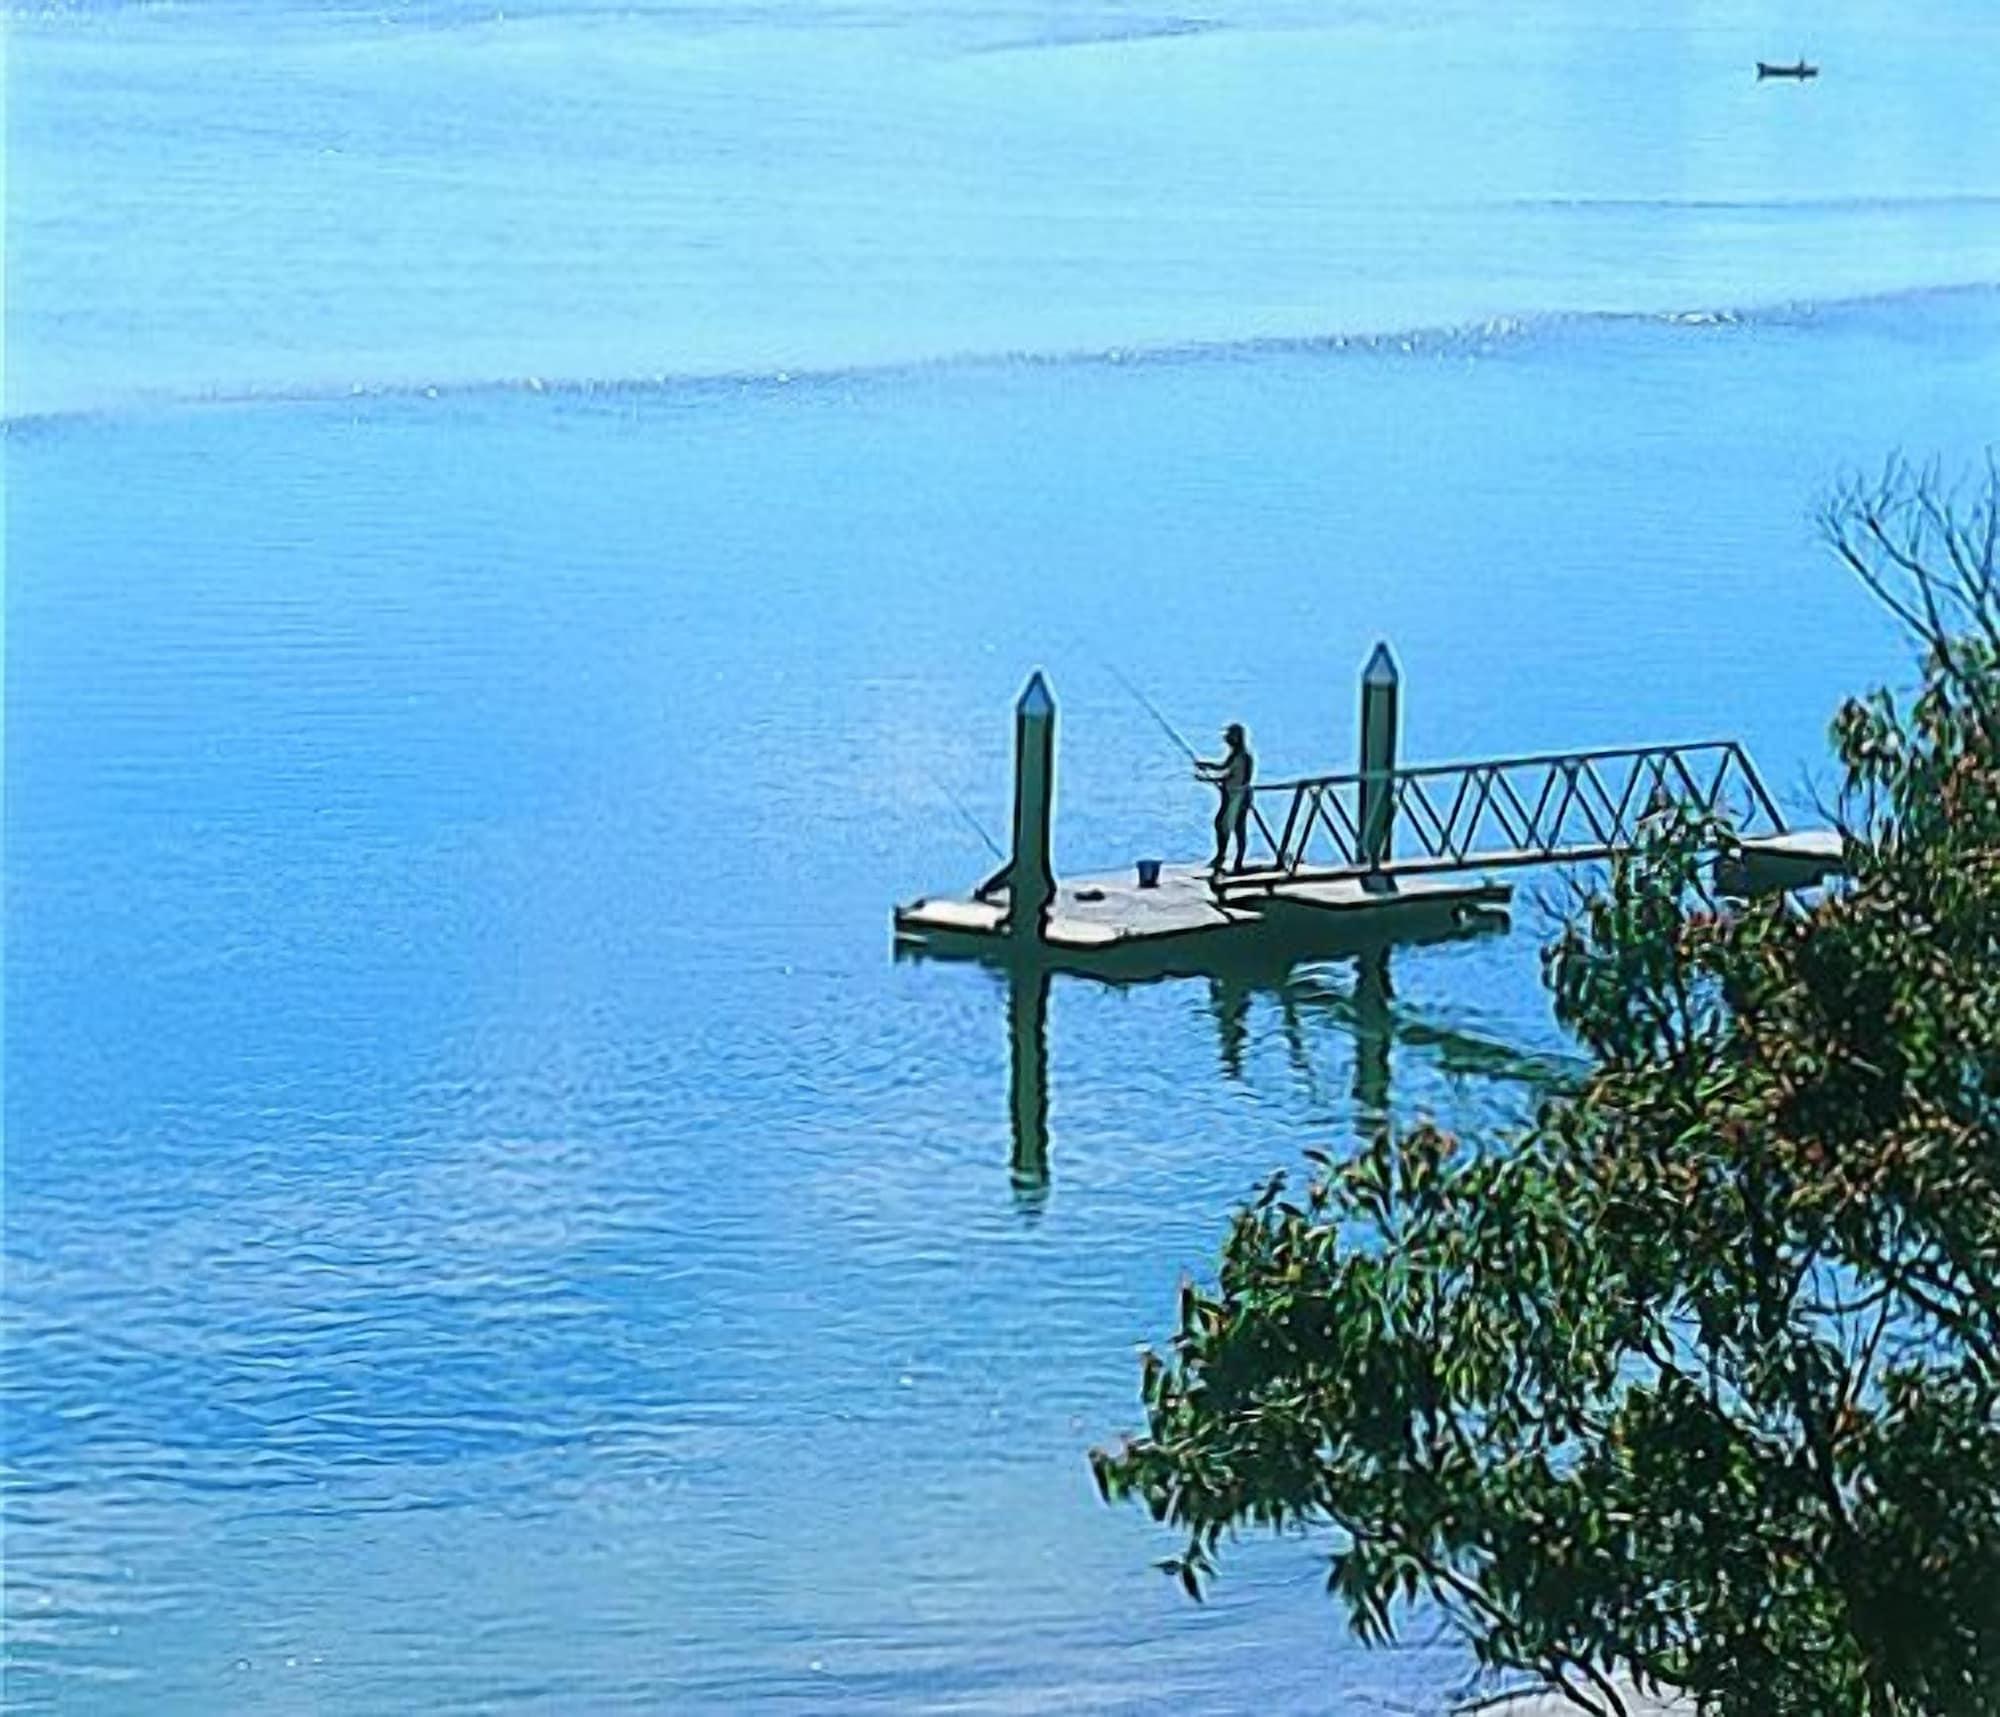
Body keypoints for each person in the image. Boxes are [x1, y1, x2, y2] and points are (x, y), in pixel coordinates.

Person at [1196, 723, 1254, 875]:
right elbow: (1223, 767)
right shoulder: (1234, 754)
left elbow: (1235, 777)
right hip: (1229, 796)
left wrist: (1210, 779)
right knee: (1221, 825)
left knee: (1238, 828)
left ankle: (1237, 862)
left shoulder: (1244, 757)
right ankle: (1220, 857)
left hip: (1239, 798)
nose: (1227, 738)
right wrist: (1206, 766)